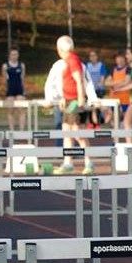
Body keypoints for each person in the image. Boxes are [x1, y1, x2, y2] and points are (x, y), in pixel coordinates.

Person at [53, 35, 94, 174]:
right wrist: (63, 97)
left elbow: (79, 80)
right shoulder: (68, 61)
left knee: (78, 133)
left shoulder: (73, 60)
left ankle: (89, 163)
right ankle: (68, 163)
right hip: (69, 100)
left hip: (75, 102)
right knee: (67, 132)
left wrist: (80, 100)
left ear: (60, 49)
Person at [0, 46, 27, 131]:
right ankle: (12, 131)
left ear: (18, 55)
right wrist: (5, 91)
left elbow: (22, 79)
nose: (14, 56)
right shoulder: (5, 66)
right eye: (12, 54)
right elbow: (4, 80)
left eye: (16, 54)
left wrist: (24, 90)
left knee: (21, 110)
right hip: (10, 90)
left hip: (19, 90)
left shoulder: (21, 65)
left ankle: (21, 131)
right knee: (10, 111)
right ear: (9, 55)